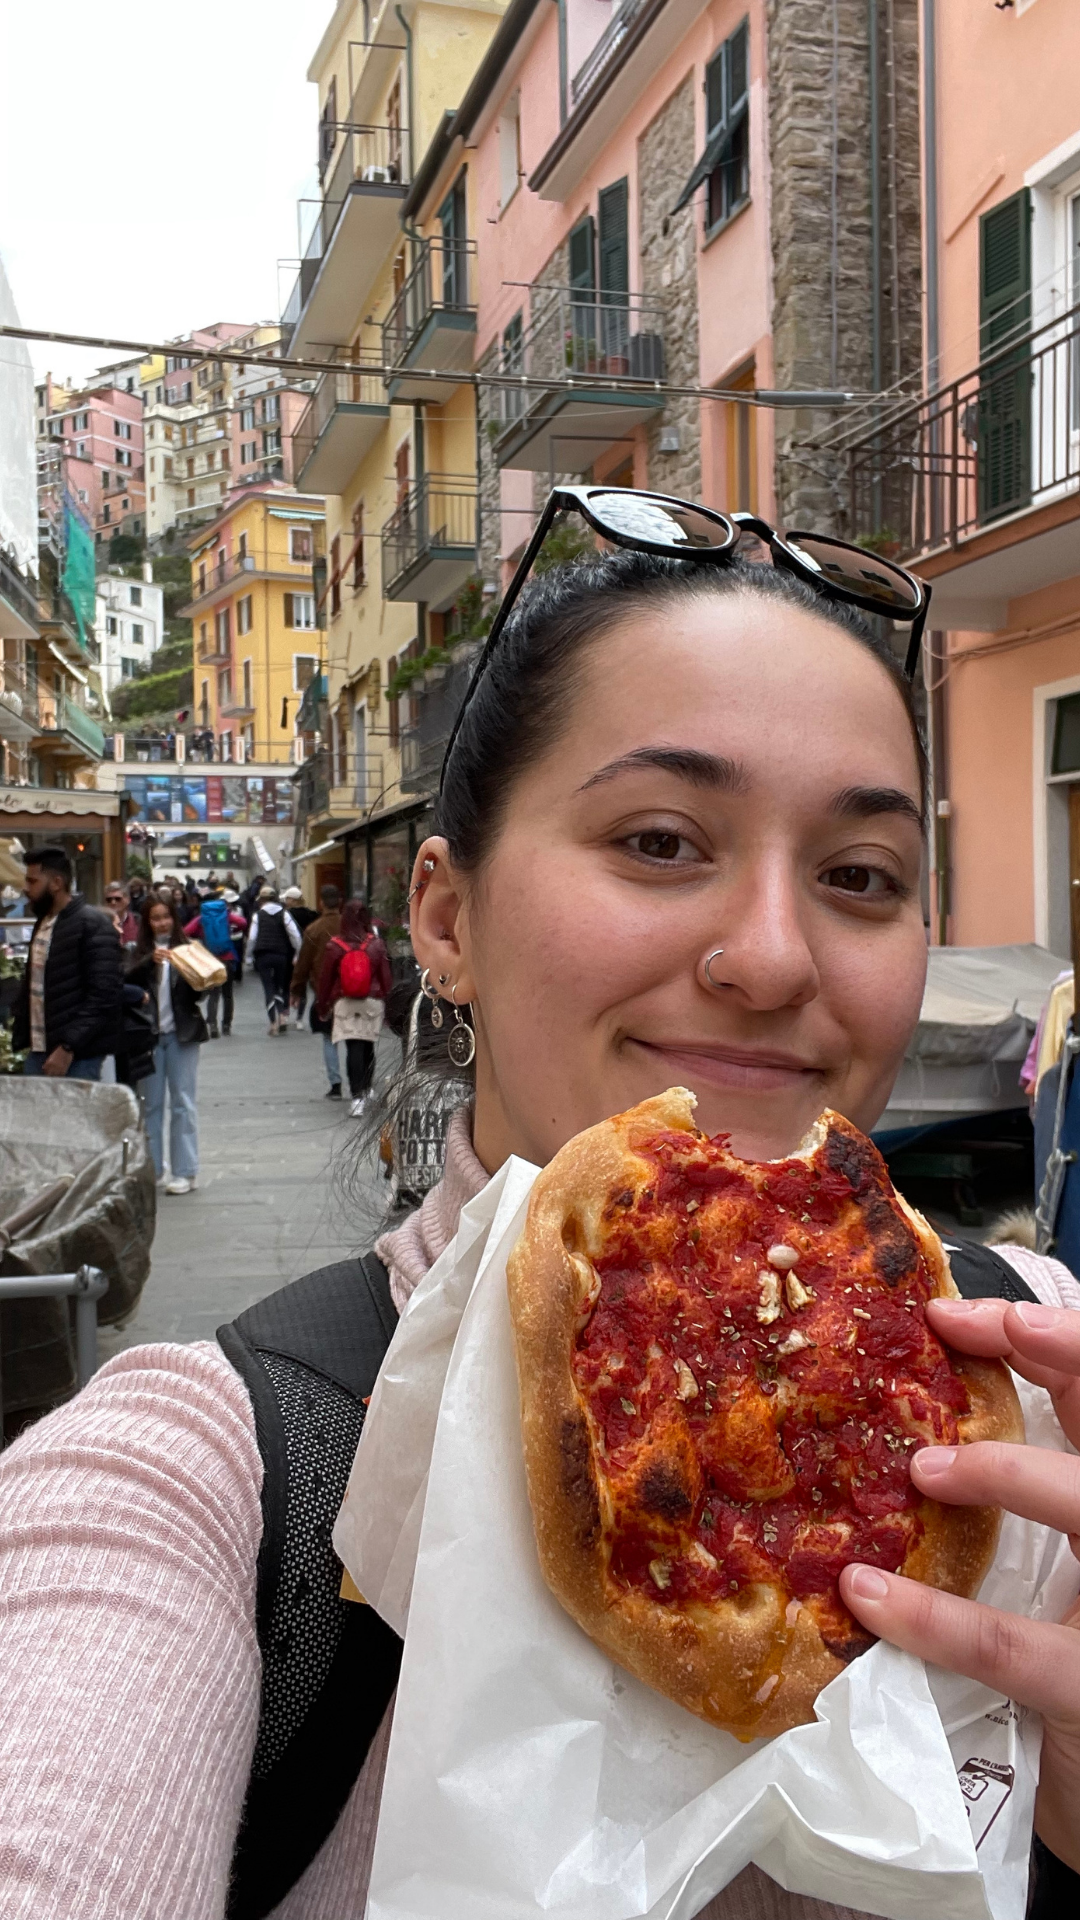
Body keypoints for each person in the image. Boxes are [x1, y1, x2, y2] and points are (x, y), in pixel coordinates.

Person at [0, 509, 1077, 1919]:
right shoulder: (196, 1482)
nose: (769, 955)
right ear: (445, 922)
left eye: (861, 875)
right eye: (658, 839)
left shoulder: (1046, 1381)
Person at [11, 844, 123, 1079]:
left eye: (33, 882)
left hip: (76, 1056)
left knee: (73, 1116)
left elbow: (104, 996)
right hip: (40, 1050)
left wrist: (68, 1047)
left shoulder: (92, 925)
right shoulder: (44, 923)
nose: (26, 889)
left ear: (56, 883)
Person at [125, 893, 208, 1194]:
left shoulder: (188, 949)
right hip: (148, 1036)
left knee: (183, 1102)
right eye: (155, 918)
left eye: (166, 916)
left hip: (182, 1034)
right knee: (151, 1105)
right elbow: (123, 981)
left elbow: (202, 991)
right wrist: (149, 962)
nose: (162, 923)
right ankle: (154, 1169)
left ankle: (185, 1171)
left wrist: (195, 970)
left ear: (174, 918)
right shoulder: (136, 951)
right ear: (147, 922)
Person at [315, 896, 391, 1116]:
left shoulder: (335, 946)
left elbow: (325, 979)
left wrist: (323, 1005)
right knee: (367, 1046)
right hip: (372, 1000)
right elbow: (385, 977)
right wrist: (389, 1003)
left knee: (353, 1048)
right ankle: (367, 1089)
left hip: (345, 1001)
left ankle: (356, 1097)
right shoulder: (376, 944)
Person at [289, 884, 343, 1094]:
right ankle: (361, 1086)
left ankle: (335, 1083)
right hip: (353, 989)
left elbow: (303, 964)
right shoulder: (350, 927)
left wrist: (296, 990)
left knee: (328, 1037)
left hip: (324, 990)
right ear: (339, 902)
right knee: (356, 1039)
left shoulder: (314, 929)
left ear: (321, 902)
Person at [183, 887, 246, 1038]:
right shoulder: (226, 916)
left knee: (213, 994)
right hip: (228, 958)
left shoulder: (202, 918)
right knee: (228, 994)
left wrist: (198, 938)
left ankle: (212, 1025)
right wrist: (230, 924)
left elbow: (185, 931)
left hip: (210, 960)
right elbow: (243, 923)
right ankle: (226, 1025)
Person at [247, 885, 302, 1035]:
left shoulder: (257, 916)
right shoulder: (284, 914)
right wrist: (297, 953)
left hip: (263, 955)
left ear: (262, 900)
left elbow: (252, 938)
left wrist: (248, 956)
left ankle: (273, 1024)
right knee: (281, 986)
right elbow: (295, 935)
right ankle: (283, 1017)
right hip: (281, 955)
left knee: (268, 988)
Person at [281, 885, 318, 1028]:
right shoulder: (312, 914)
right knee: (302, 985)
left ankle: (285, 1014)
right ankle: (300, 1019)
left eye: (287, 898)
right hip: (308, 954)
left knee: (287, 984)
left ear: (292, 900)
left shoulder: (286, 915)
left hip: (290, 952)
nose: (286, 901)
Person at [104, 880, 139, 948]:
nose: (113, 902)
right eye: (109, 899)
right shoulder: (100, 924)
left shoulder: (138, 921)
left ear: (128, 900)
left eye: (118, 899)